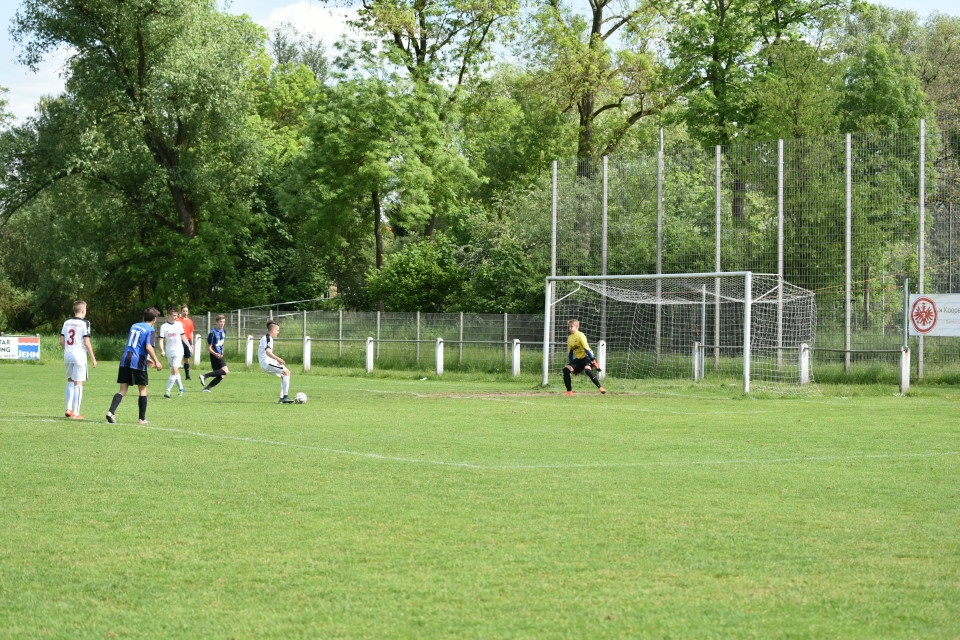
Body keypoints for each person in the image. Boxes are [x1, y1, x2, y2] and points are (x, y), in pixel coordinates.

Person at [106, 307, 164, 424]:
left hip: (125, 359)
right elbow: (148, 346)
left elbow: (136, 344)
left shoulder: (134, 326)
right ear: (154, 319)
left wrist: (147, 359)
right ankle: (142, 419)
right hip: (138, 361)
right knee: (143, 389)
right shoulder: (150, 330)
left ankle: (111, 412)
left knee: (123, 389)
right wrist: (157, 361)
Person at [60, 300, 98, 420]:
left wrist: (69, 349)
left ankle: (68, 408)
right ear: (83, 310)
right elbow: (86, 342)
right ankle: (76, 413)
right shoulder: (84, 323)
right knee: (79, 383)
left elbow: (61, 341)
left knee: (70, 380)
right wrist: (93, 358)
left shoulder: (66, 322)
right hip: (79, 355)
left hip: (68, 354)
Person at [562, 318, 606, 396]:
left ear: (577, 327)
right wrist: (572, 365)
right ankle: (569, 392)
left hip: (587, 357)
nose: (570, 328)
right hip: (579, 359)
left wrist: (593, 360)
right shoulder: (569, 338)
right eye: (569, 326)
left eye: (571, 326)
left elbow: (587, 349)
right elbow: (570, 353)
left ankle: (601, 387)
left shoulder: (580, 335)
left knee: (587, 370)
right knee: (566, 369)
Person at [259, 321, 295, 403]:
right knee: (287, 372)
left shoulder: (267, 338)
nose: (278, 332)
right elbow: (268, 352)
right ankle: (285, 397)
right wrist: (278, 358)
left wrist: (275, 360)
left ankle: (283, 397)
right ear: (273, 330)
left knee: (284, 375)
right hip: (266, 363)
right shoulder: (267, 338)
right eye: (277, 330)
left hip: (268, 362)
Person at [159, 307, 187, 398]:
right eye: (174, 315)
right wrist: (162, 350)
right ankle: (181, 388)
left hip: (179, 351)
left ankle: (168, 391)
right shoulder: (163, 327)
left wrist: (189, 346)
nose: (176, 317)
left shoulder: (179, 324)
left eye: (177, 315)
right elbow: (161, 340)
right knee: (175, 371)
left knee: (174, 369)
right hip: (169, 351)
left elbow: (183, 336)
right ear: (169, 315)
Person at [199, 314, 229, 392]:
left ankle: (207, 388)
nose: (222, 324)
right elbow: (209, 348)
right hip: (214, 355)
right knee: (225, 371)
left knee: (221, 375)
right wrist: (216, 354)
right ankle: (204, 376)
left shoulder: (224, 331)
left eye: (223, 322)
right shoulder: (212, 333)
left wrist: (222, 352)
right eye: (220, 322)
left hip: (220, 355)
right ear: (217, 322)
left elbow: (222, 344)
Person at [179, 305, 195, 380]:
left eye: (186, 311)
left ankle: (187, 375)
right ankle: (176, 375)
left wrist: (192, 343)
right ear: (181, 312)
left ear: (188, 312)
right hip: (179, 341)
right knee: (178, 358)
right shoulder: (178, 321)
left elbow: (191, 332)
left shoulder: (190, 321)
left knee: (187, 359)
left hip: (187, 341)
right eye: (183, 311)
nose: (185, 312)